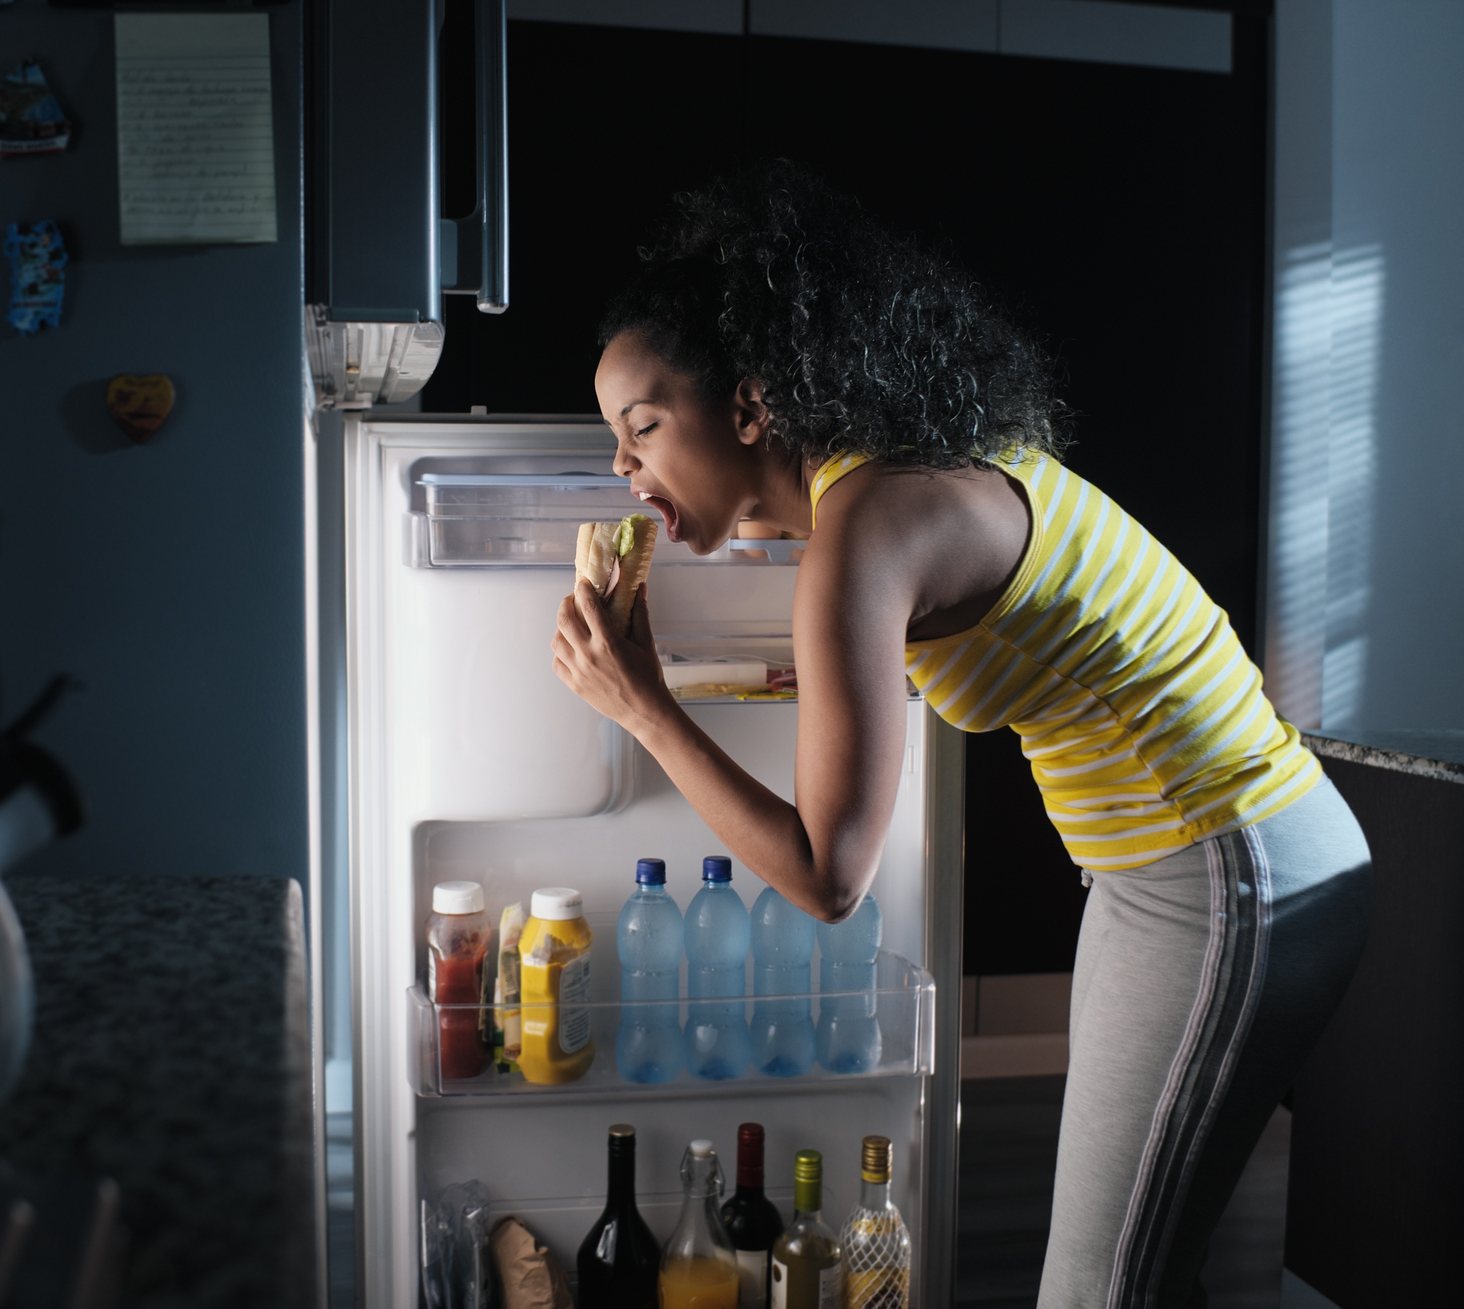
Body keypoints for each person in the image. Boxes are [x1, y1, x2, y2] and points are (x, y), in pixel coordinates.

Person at [550, 163, 1372, 1309]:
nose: (623, 468)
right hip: (1182, 866)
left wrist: (644, 705)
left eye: (642, 428)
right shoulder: (886, 486)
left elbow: (831, 876)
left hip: (1228, 861)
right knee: (1143, 1264)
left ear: (748, 407)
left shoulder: (866, 528)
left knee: (1099, 1289)